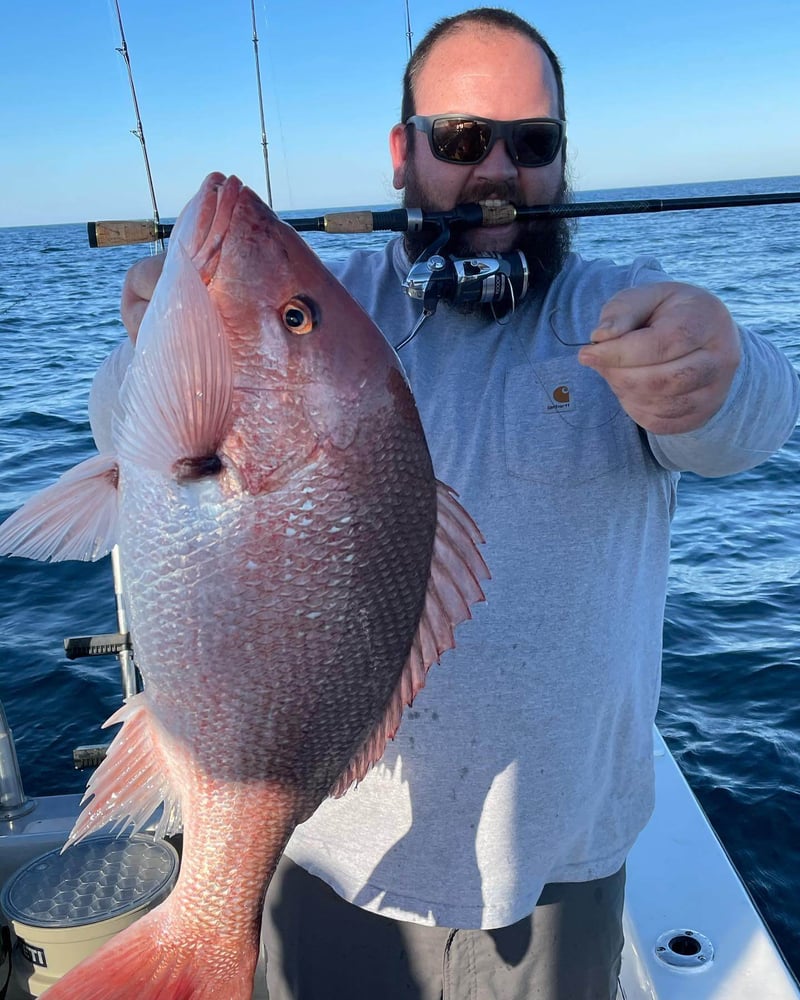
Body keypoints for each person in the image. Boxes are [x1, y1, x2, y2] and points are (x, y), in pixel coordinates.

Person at [118, 9, 799, 999]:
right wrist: (150, 352)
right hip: (328, 856)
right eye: (460, 139)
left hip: (559, 863)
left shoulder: (621, 304)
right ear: (403, 154)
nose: (497, 172)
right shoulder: (326, 302)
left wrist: (717, 366)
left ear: (561, 160)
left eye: (532, 143)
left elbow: (747, 425)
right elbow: (131, 446)